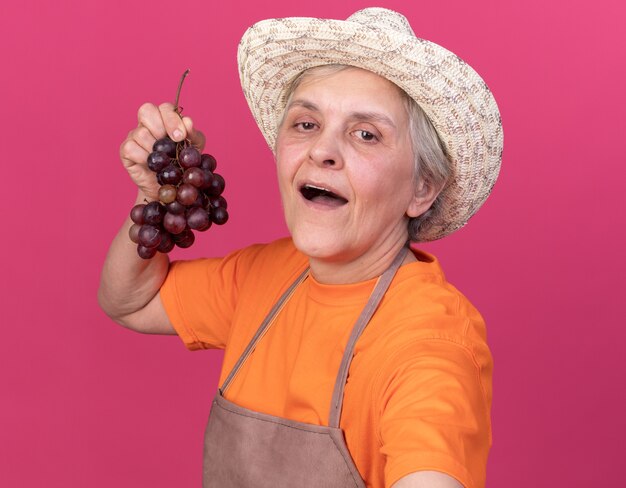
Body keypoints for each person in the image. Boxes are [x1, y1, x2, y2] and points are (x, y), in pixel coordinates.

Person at [99, 7, 503, 488]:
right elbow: (130, 300)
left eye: (366, 134)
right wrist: (155, 195)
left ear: (422, 190)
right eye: (306, 124)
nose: (322, 150)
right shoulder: (263, 276)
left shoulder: (429, 344)